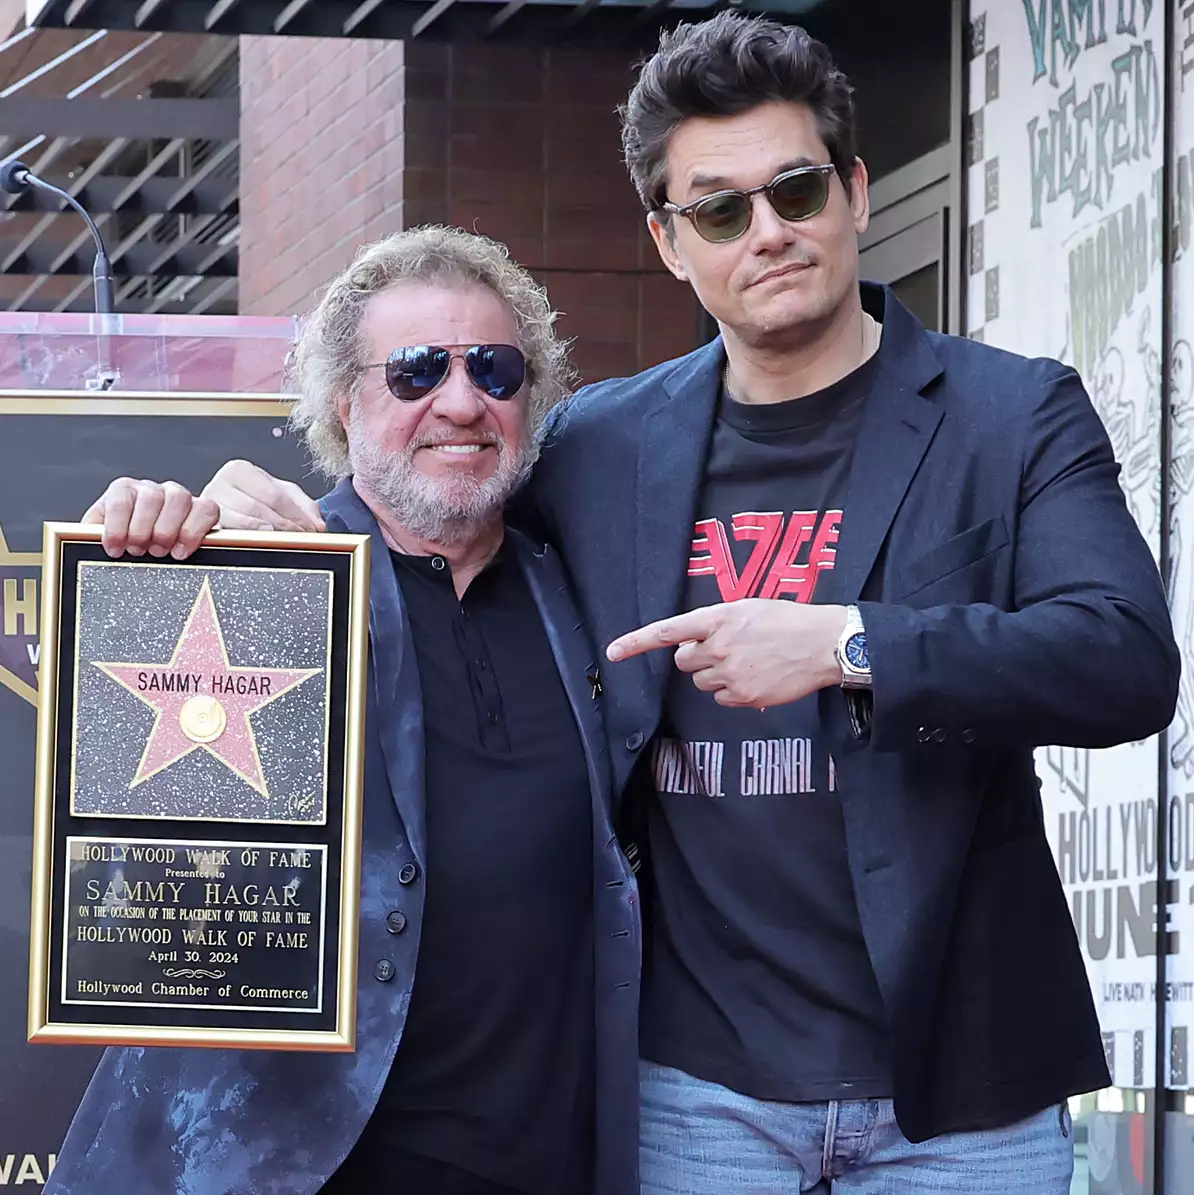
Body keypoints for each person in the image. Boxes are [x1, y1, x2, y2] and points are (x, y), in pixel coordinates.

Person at [115, 13, 1181, 1194]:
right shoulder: (601, 443)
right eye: (720, 209)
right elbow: (429, 497)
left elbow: (1126, 658)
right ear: (671, 244)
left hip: (959, 1083)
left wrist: (850, 640)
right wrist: (238, 523)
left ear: (858, 192)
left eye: (795, 190)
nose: (767, 231)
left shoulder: (1012, 413)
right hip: (695, 1084)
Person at [44, 227, 639, 1195]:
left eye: (494, 369)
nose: (460, 401)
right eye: (414, 371)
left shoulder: (582, 585)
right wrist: (158, 543)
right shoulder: (266, 575)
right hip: (297, 1161)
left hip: (544, 1154)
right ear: (343, 402)